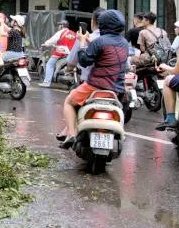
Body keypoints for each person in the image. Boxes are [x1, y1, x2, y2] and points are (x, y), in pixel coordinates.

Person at [58, 10, 129, 148]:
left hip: (95, 85)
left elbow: (84, 61)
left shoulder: (100, 41)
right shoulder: (124, 42)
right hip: (118, 89)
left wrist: (83, 43)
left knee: (69, 102)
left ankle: (71, 134)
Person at [39, 19, 77, 87]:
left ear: (62, 26)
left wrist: (45, 44)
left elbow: (52, 40)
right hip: (71, 54)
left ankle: (47, 82)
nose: (58, 27)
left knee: (49, 64)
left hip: (60, 53)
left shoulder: (61, 32)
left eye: (59, 25)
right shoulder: (73, 33)